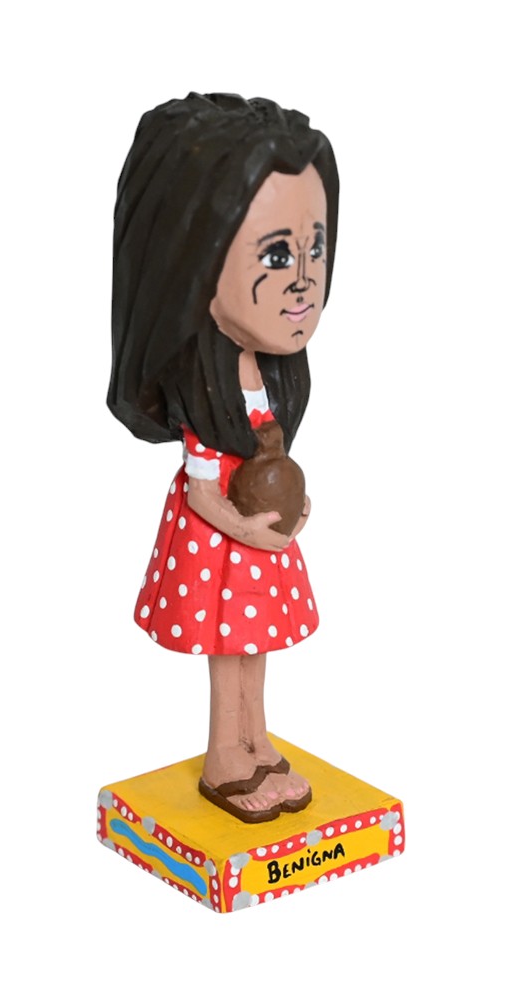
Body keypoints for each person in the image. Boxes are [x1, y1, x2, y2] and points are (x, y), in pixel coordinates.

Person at [108, 93, 339, 823]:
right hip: (223, 544)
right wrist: (251, 531)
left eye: (313, 248)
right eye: (275, 255)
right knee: (227, 656)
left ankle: (257, 742)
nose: (302, 279)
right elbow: (205, 491)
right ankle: (224, 756)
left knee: (256, 650)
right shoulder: (204, 392)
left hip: (260, 537)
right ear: (191, 264)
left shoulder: (271, 378)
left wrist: (294, 509)